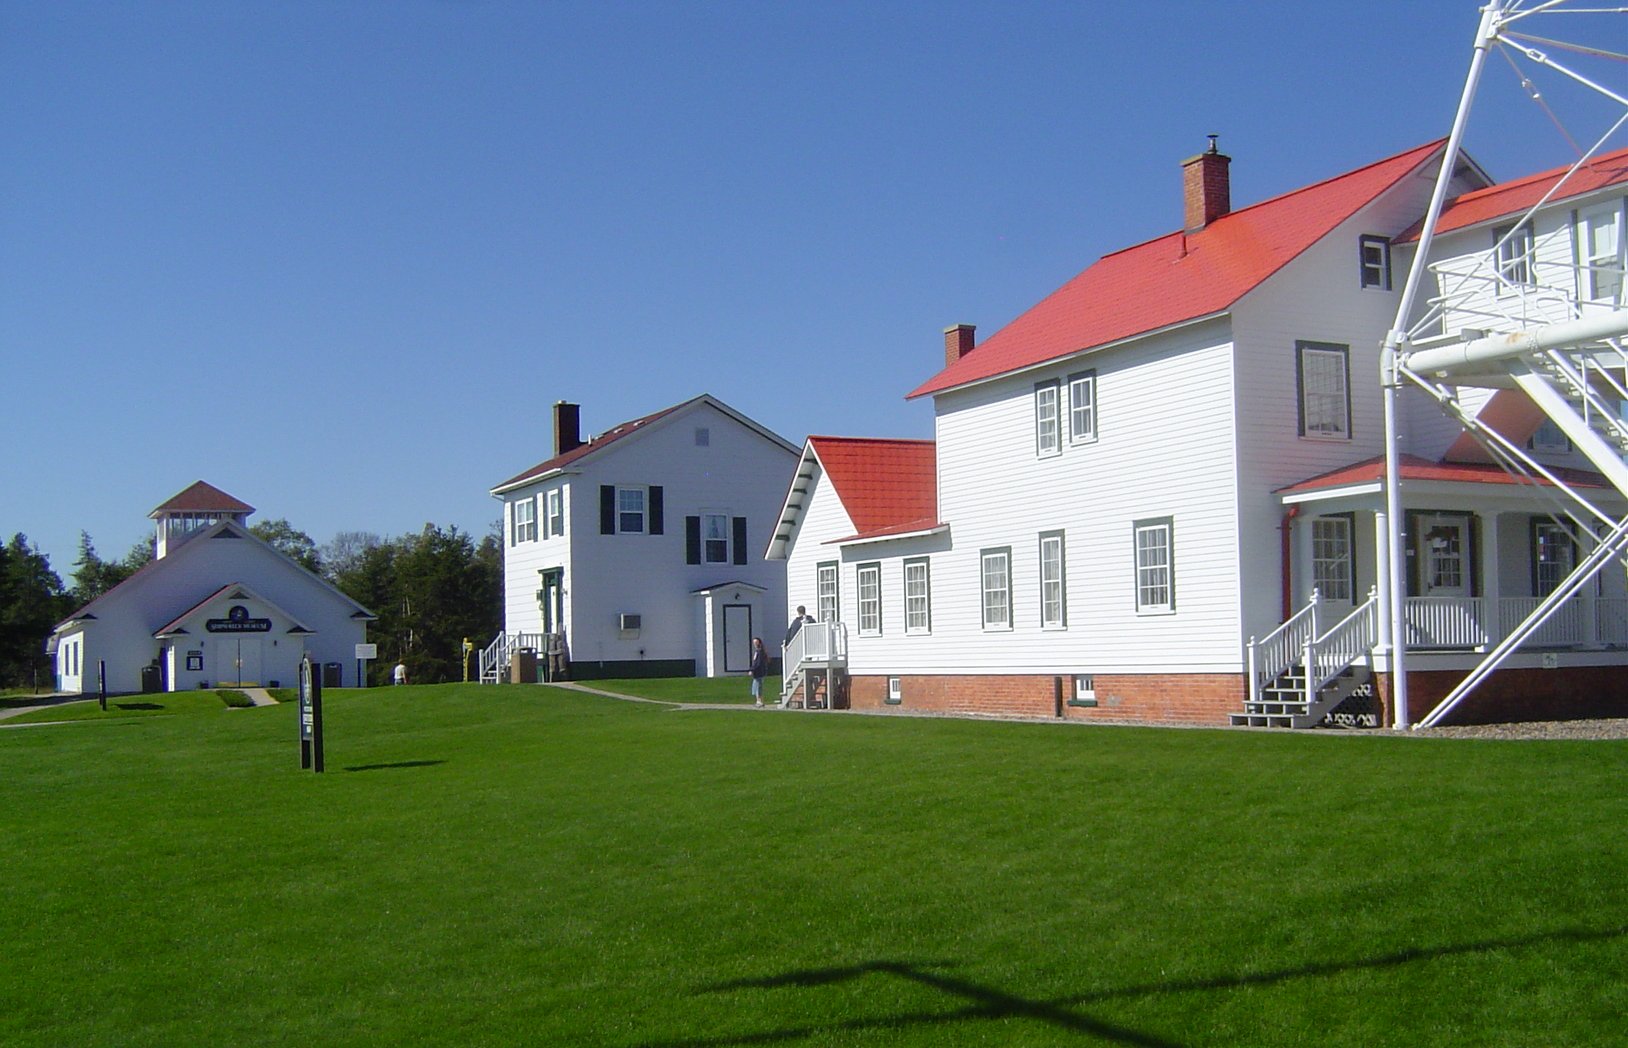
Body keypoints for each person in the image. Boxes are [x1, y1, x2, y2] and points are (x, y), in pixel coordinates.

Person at [749, 637, 768, 706]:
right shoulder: (757, 651)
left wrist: (752, 669)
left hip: (759, 672)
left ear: (759, 643)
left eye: (756, 642)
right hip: (757, 672)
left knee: (758, 686)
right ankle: (758, 701)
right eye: (754, 642)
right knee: (755, 686)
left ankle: (760, 701)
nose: (755, 644)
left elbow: (758, 663)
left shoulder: (760, 652)